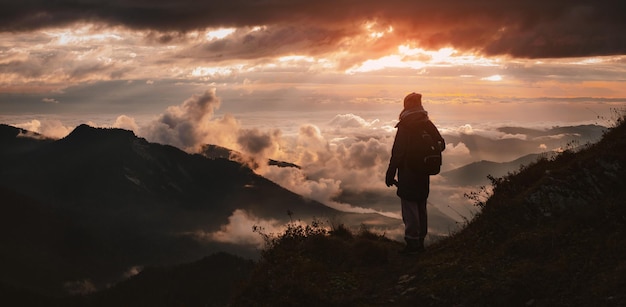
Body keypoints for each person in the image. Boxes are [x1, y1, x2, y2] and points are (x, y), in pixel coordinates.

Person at [385, 92, 445, 255]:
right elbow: (442, 144)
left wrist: (390, 173)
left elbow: (398, 152)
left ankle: (412, 244)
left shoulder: (405, 125)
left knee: (409, 206)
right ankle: (420, 241)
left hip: (408, 172)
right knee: (420, 205)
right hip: (424, 172)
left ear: (406, 106)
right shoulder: (427, 123)